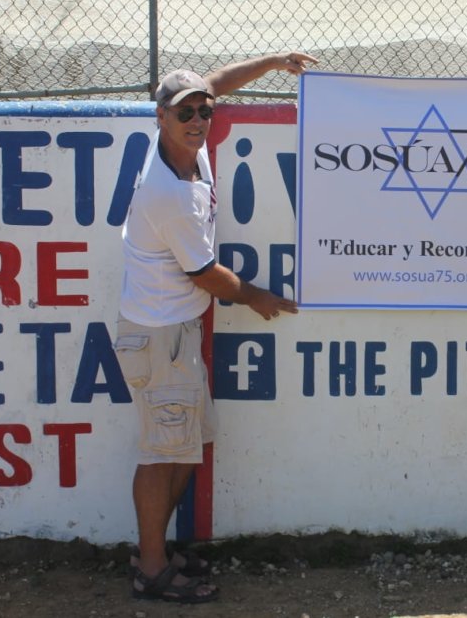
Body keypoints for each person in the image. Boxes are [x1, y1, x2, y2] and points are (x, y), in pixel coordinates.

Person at [115, 51, 317, 604]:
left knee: (182, 447)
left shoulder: (188, 149)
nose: (200, 121)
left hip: (172, 330)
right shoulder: (170, 192)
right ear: (160, 118)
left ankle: (156, 551)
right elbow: (204, 272)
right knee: (163, 453)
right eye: (186, 114)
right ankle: (152, 568)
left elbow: (216, 83)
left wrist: (273, 62)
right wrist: (258, 297)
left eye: (204, 111)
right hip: (160, 334)